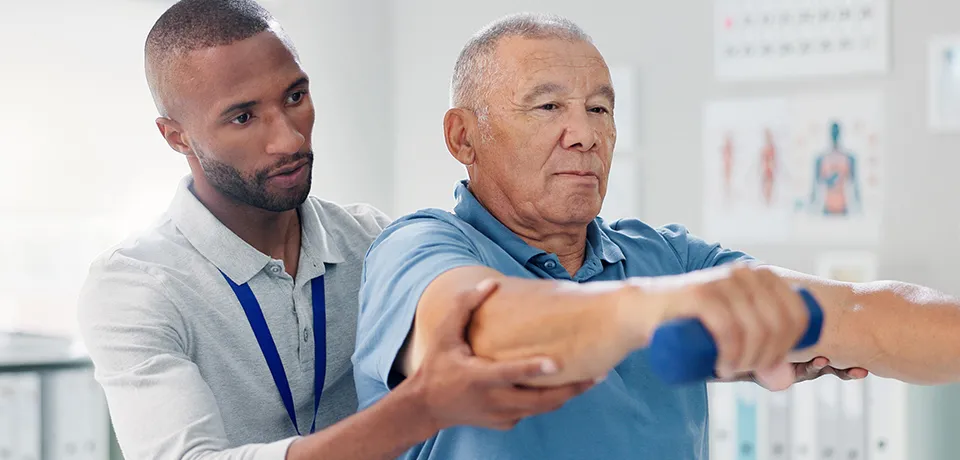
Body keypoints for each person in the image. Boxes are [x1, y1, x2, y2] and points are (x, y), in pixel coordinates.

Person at [353, 13, 960, 460]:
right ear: (463, 138)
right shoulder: (419, 247)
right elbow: (482, 335)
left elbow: (865, 314)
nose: (584, 134)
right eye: (547, 108)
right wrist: (670, 307)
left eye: (599, 109)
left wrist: (763, 317)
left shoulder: (665, 258)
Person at [76, 2, 596, 459]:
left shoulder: (375, 239)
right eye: (242, 117)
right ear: (175, 136)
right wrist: (421, 409)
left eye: (295, 96)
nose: (287, 138)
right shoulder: (134, 286)